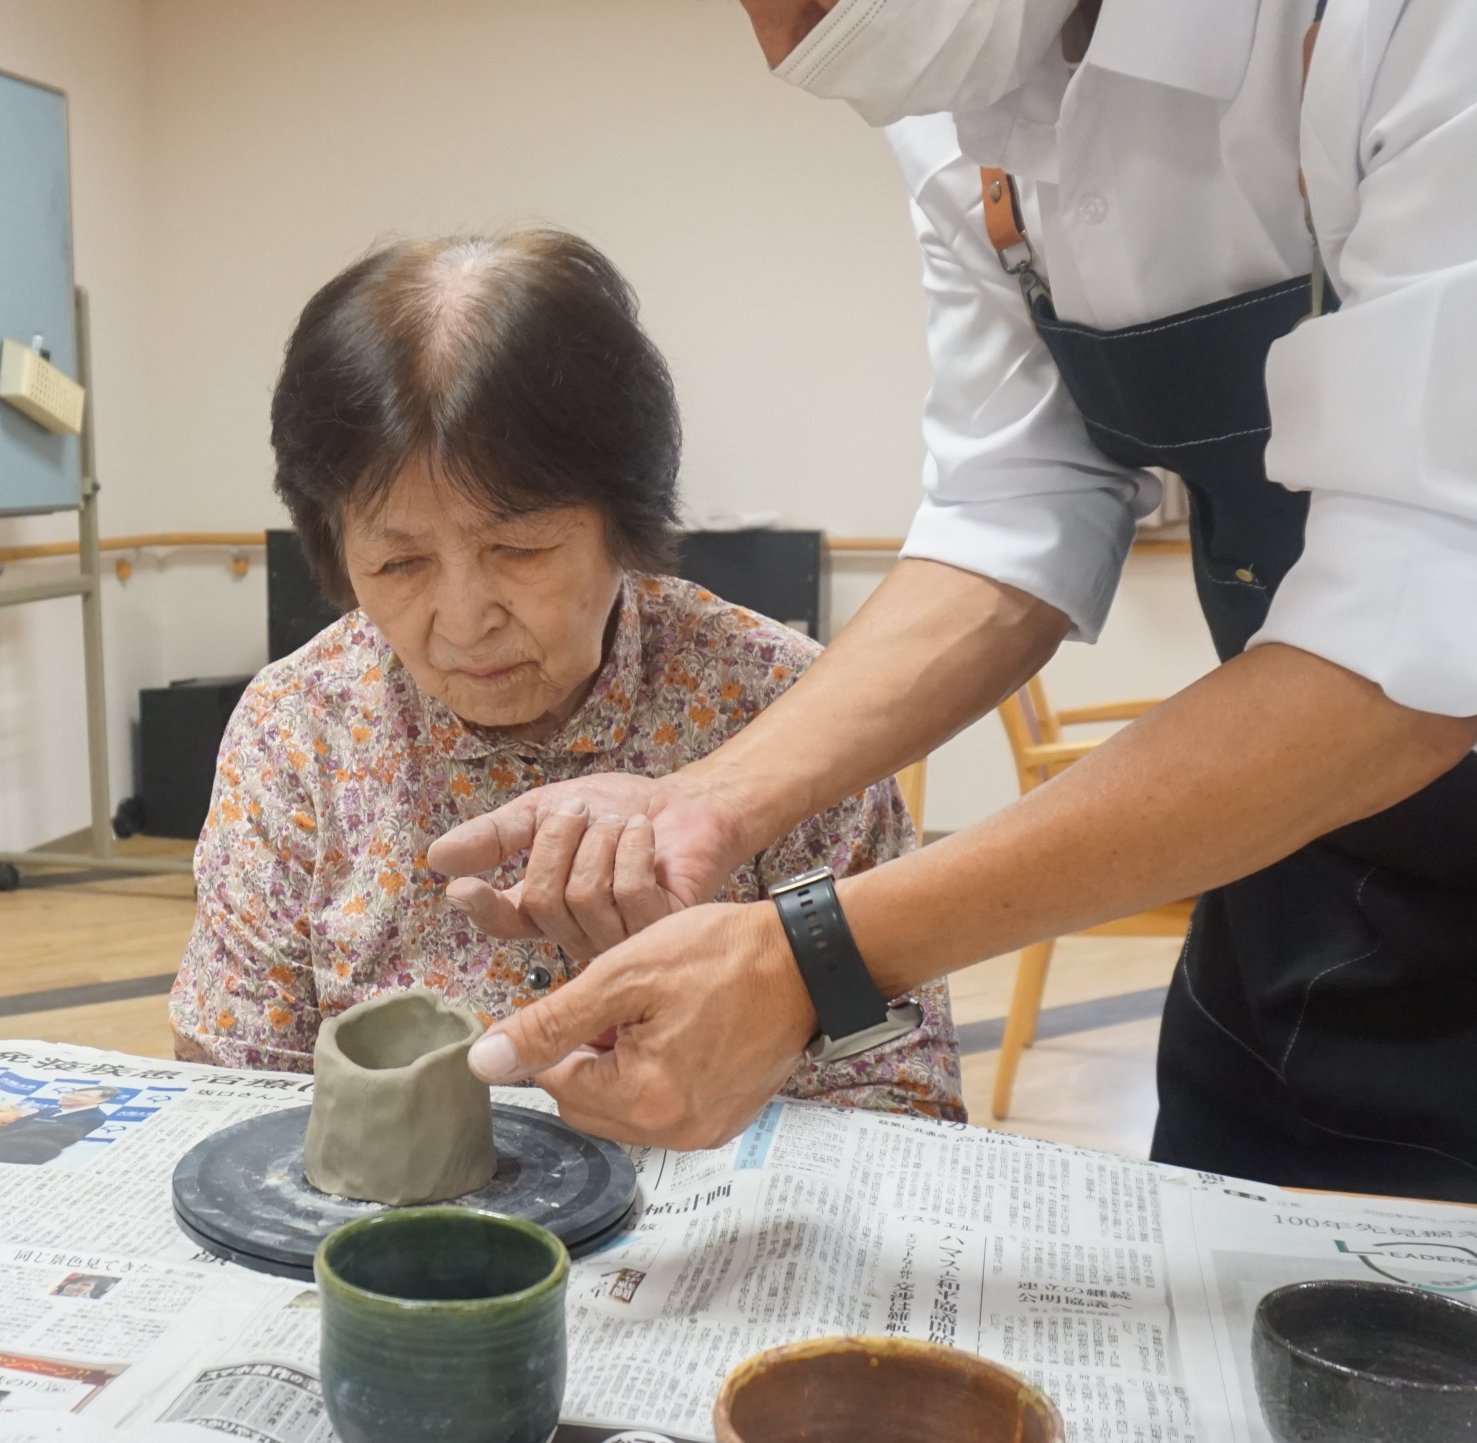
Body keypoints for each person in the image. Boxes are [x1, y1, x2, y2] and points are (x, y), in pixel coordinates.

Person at [435, 0, 1477, 1202]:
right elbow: (1015, 501)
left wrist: (808, 958)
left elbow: (1416, 634)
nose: (784, 43)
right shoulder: (966, 89)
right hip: (1298, 873)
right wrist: (712, 801)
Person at [169, 230, 963, 1120]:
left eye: (519, 548)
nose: (463, 621)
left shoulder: (786, 710)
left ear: (622, 521)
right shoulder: (299, 728)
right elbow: (230, 1085)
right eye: (399, 566)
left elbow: (901, 1089)